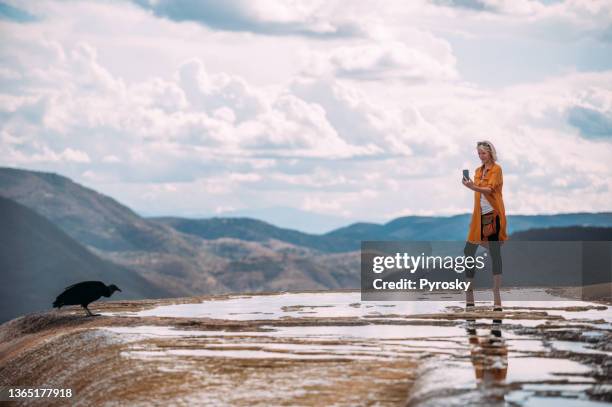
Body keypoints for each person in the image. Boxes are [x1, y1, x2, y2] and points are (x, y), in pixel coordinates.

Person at [462, 140, 507, 311]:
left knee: (494, 252)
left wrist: (473, 186)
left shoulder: (497, 169)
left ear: (490, 153)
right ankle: (469, 292)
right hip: (478, 215)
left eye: (484, 153)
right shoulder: (477, 171)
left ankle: (496, 293)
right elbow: (477, 190)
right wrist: (470, 186)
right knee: (468, 250)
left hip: (491, 214)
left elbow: (489, 190)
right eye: (479, 153)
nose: (481, 156)